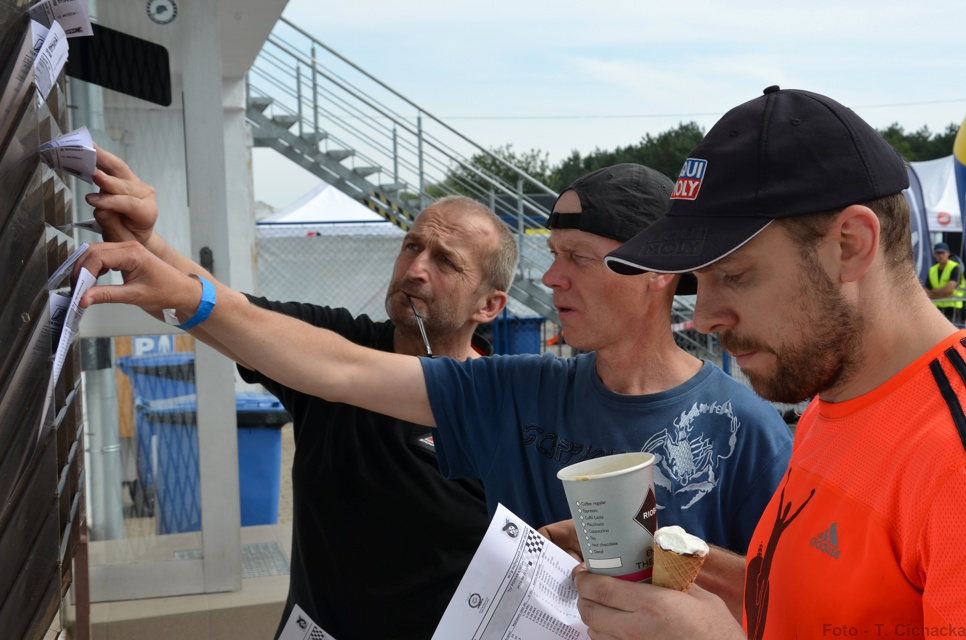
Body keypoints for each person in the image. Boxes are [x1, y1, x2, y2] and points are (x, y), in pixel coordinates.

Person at [77, 161, 792, 596]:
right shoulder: (517, 391)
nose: (552, 278)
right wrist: (176, 284)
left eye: (576, 256)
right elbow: (331, 363)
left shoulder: (747, 431)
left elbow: (790, 602)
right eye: (552, 254)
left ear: (656, 272)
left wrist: (672, 568)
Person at [555, 86, 966, 638]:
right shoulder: (835, 395)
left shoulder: (952, 455)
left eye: (734, 275)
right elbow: (811, 598)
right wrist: (666, 566)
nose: (703, 318)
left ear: (850, 245)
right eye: (698, 280)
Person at [86, 148, 513, 640]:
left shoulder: (508, 408)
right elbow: (230, 313)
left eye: (445, 262)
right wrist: (144, 240)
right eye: (411, 246)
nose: (415, 268)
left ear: (489, 305)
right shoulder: (335, 345)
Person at [925, 241, 964, 323]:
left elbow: (948, 290)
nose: (940, 255)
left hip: (953, 308)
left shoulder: (955, 267)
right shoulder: (932, 270)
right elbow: (925, 291)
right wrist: (941, 293)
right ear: (934, 255)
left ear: (948, 253)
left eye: (942, 253)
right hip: (937, 308)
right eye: (938, 253)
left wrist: (934, 292)